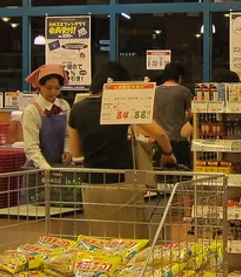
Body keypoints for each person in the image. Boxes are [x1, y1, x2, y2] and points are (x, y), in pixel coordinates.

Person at [68, 62, 176, 238]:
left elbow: (76, 152)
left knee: (100, 240)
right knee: (132, 240)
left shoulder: (77, 109)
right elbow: (160, 134)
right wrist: (168, 154)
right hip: (121, 183)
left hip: (90, 185)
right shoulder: (121, 104)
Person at [22, 64, 73, 169]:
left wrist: (67, 151)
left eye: (57, 88)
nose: (53, 92)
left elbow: (68, 135)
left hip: (59, 166)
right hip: (37, 168)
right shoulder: (31, 111)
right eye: (49, 88)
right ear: (39, 85)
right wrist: (46, 168)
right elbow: (31, 148)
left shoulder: (64, 106)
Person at [153, 62, 193, 168]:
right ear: (180, 76)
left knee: (161, 174)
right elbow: (192, 114)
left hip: (159, 139)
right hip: (179, 138)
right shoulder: (184, 91)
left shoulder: (155, 91)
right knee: (182, 172)